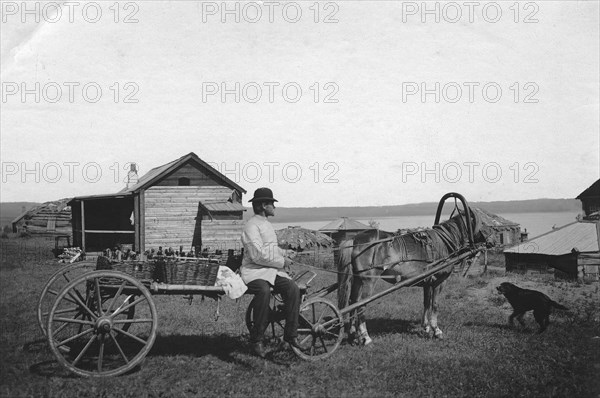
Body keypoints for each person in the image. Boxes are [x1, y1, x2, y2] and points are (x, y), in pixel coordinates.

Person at [240, 187, 301, 358]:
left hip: (268, 271)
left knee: (293, 289)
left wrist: (285, 253)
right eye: (272, 203)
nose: (274, 207)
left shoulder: (266, 224)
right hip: (253, 271)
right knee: (263, 290)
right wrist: (282, 262)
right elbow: (257, 254)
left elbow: (270, 249)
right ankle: (256, 339)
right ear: (262, 206)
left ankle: (291, 335)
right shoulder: (251, 226)